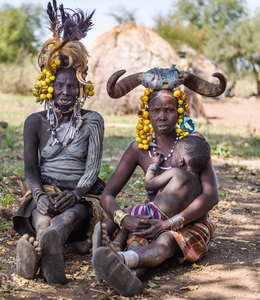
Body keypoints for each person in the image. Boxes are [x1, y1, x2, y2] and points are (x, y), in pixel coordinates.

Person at [92, 66, 227, 296]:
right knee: (137, 241)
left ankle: (117, 259)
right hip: (152, 218)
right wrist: (124, 220)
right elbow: (107, 196)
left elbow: (210, 195)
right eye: (156, 110)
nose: (162, 116)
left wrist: (169, 223)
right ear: (147, 112)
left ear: (180, 111)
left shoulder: (193, 143)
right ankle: (129, 276)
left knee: (164, 242)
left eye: (169, 110)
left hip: (189, 223)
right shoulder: (140, 148)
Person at [13, 1, 108, 284]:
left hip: (80, 196)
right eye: (59, 85)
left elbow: (92, 169)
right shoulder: (34, 122)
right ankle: (49, 250)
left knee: (66, 219)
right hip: (46, 189)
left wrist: (77, 194)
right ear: (49, 86)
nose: (65, 91)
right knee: (43, 217)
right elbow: (31, 168)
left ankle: (39, 254)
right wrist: (39, 194)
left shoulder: (93, 120)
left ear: (80, 88)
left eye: (71, 86)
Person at [109, 136, 211, 252]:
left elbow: (149, 184)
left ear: (181, 160)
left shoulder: (175, 172)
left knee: (123, 213)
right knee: (134, 220)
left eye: (173, 155)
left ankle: (94, 239)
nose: (171, 157)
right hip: (170, 222)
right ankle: (117, 244)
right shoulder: (199, 186)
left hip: (154, 211)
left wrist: (153, 165)